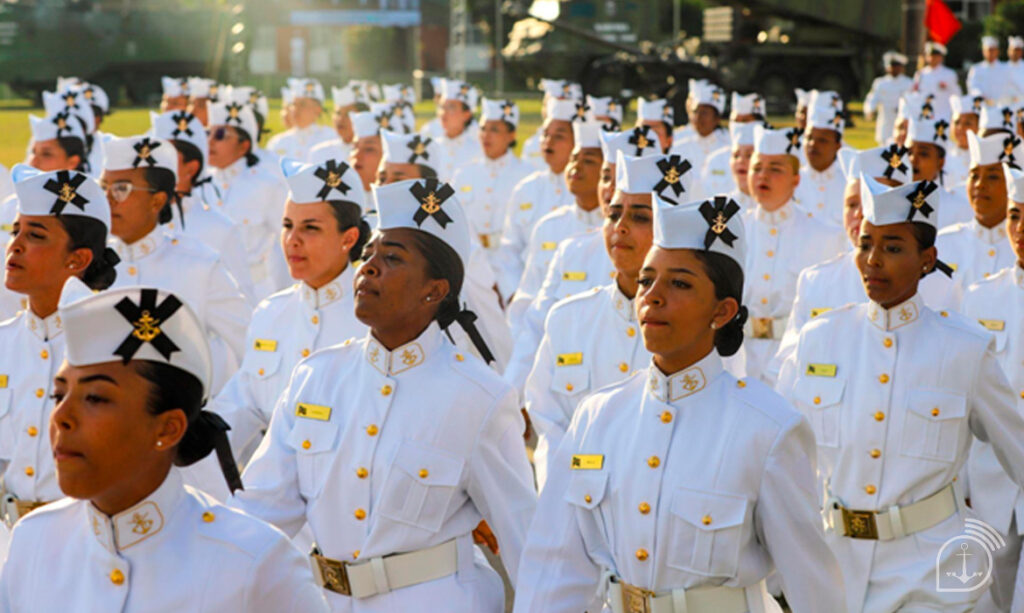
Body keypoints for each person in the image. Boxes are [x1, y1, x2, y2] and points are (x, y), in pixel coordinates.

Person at [513, 192, 846, 613]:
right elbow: (555, 566)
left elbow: (812, 586)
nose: (652, 295)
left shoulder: (768, 429)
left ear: (722, 311)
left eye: (680, 283)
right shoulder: (598, 416)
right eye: (646, 281)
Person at [230, 178, 536, 611]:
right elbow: (260, 509)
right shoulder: (317, 378)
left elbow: (528, 543)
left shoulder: (479, 398)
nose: (368, 266)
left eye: (391, 258)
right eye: (368, 253)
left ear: (435, 290)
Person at [777, 174, 1024, 612]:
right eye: (865, 244)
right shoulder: (820, 338)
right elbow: (783, 460)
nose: (873, 260)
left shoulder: (964, 349)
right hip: (835, 569)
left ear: (927, 259)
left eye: (893, 248)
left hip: (931, 574)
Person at [0, 282, 328, 611]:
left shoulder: (254, 563)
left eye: (95, 398)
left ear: (169, 429)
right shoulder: (34, 541)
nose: (61, 417)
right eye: (58, 395)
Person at [522, 150, 694, 489]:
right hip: (576, 501)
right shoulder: (568, 319)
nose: (621, 226)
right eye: (613, 214)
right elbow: (550, 421)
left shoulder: (699, 325)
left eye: (641, 217)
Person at [212, 158, 369, 464]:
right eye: (287, 226)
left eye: (310, 228)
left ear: (348, 239)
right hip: (272, 499)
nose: (292, 241)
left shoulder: (375, 320)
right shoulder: (271, 313)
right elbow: (243, 405)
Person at [0, 167, 118, 546]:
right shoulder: (5, 341)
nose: (14, 245)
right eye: (15, 230)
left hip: (89, 545)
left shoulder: (116, 345)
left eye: (35, 235)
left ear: (77, 258)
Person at [101, 135, 250, 395]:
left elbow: (252, 349)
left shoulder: (199, 267)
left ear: (157, 201)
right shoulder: (88, 265)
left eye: (121, 189)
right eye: (104, 187)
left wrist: (222, 419)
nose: (108, 199)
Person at [375, 131, 514, 370]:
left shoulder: (450, 230)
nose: (386, 186)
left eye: (398, 178)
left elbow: (481, 311)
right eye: (382, 177)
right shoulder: (370, 229)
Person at [770, 144, 910, 379]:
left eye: (871, 202)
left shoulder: (935, 283)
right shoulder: (816, 281)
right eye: (852, 204)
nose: (859, 214)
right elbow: (788, 368)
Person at [742, 125, 846, 383]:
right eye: (757, 168)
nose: (763, 176)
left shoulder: (826, 236)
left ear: (796, 179)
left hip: (795, 359)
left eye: (775, 169)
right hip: (739, 358)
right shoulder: (734, 232)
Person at [508, 120, 605, 333]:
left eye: (588, 161)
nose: (575, 167)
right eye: (573, 159)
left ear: (606, 173)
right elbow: (528, 301)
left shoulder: (618, 231)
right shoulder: (548, 226)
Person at [149, 110, 255, 303]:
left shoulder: (220, 229)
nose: (154, 165)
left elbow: (242, 302)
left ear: (191, 168)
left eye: (166, 157)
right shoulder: (136, 222)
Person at [494, 96, 576, 300]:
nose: (548, 142)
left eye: (559, 136)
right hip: (529, 298)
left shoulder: (587, 192)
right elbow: (509, 247)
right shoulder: (526, 189)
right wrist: (514, 292)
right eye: (545, 135)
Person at [207, 101, 289, 298]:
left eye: (220, 135)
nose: (210, 141)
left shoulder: (266, 186)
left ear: (244, 146)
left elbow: (287, 239)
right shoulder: (200, 186)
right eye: (207, 133)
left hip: (253, 293)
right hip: (206, 291)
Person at [936, 131, 1022, 306]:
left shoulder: (1018, 247)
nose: (979, 184)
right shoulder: (942, 243)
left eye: (993, 176)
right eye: (974, 175)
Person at [452, 98, 531, 268]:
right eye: (483, 129)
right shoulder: (464, 174)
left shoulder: (527, 175)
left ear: (512, 135)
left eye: (494, 129)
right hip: (470, 262)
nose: (486, 136)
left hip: (513, 264)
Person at [904, 108, 974, 228]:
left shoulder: (958, 209)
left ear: (940, 163)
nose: (913, 160)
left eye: (923, 154)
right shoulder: (892, 202)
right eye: (909, 153)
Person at [794, 103, 848, 224]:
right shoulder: (790, 183)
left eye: (822, 140)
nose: (812, 144)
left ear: (838, 146)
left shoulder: (848, 184)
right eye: (809, 138)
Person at [267, 78, 336, 163]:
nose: (296, 109)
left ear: (318, 109)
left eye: (302, 104)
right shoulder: (277, 142)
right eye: (294, 104)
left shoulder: (332, 138)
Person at [434, 80, 483, 181]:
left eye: (451, 107)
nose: (444, 113)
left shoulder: (479, 151)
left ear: (467, 114)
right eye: (442, 107)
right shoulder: (431, 148)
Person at [864, 51, 913, 146]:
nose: (893, 69)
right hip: (885, 122)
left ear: (901, 68)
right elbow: (872, 98)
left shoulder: (909, 83)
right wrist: (869, 110)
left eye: (896, 66)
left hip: (902, 123)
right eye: (891, 66)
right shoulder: (880, 83)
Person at [309, 84, 361, 165]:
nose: (340, 119)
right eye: (338, 113)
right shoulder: (320, 153)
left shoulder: (373, 153)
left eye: (348, 114)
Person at [914, 42, 962, 117]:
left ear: (941, 57)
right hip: (925, 115)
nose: (932, 58)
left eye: (935, 56)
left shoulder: (949, 74)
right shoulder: (920, 74)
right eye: (930, 55)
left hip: (943, 115)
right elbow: (915, 94)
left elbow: (957, 94)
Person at [947, 91, 984, 188]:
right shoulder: (944, 156)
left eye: (967, 123)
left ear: (979, 126)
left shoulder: (985, 157)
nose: (960, 127)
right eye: (957, 122)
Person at [968, 36, 1011, 104]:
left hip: (1002, 107)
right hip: (983, 107)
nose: (990, 53)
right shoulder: (976, 69)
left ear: (997, 51)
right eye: (988, 50)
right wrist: (981, 96)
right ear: (983, 51)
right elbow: (973, 86)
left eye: (993, 50)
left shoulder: (1006, 68)